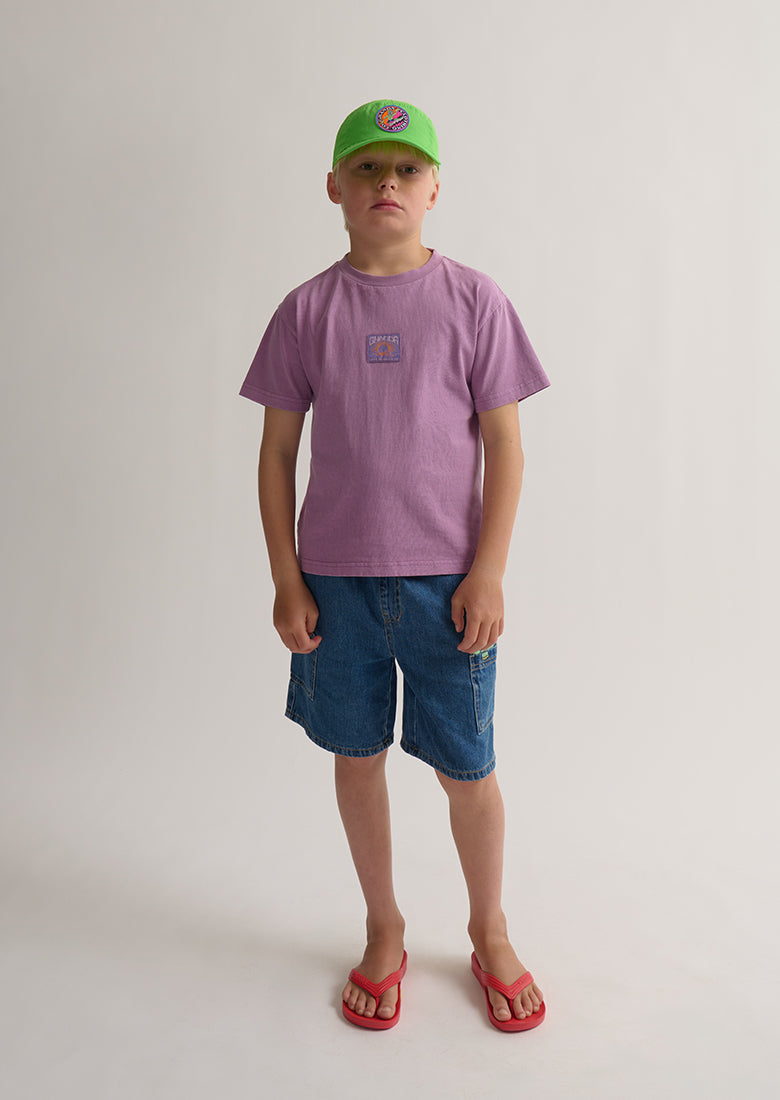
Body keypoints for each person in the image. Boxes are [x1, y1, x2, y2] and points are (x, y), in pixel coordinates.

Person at [239, 100, 550, 1032]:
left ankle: (489, 928)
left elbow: (507, 446)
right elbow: (276, 455)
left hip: (448, 588)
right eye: (368, 168)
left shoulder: (475, 300)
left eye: (407, 168)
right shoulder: (307, 311)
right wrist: (287, 576)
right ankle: (383, 926)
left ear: (435, 189)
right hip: (335, 585)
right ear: (334, 188)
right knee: (356, 756)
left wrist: (488, 571)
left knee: (469, 768)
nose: (388, 183)